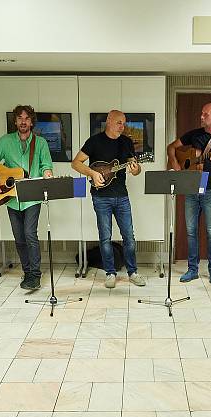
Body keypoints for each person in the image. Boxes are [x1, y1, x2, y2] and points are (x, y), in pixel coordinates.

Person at [0, 105, 53, 290]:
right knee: (19, 238)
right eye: (20, 118)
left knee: (30, 234)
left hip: (32, 197)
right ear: (15, 121)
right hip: (11, 198)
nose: (23, 121)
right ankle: (27, 272)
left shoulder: (41, 143)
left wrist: (47, 173)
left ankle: (35, 275)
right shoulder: (5, 142)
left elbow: (46, 165)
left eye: (26, 118)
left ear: (31, 121)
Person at [72, 110, 146, 288]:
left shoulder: (126, 142)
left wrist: (136, 169)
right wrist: (92, 172)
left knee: (129, 237)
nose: (123, 126)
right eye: (119, 122)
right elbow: (76, 163)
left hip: (122, 196)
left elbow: (135, 169)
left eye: (124, 123)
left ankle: (133, 272)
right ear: (109, 122)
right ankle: (110, 273)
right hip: (101, 197)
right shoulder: (94, 141)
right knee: (105, 237)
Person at [167, 102, 211, 284]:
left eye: (205, 114)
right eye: (202, 114)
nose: (201, 116)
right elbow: (171, 147)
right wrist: (175, 164)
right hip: (191, 188)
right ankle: (192, 270)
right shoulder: (193, 134)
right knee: (191, 231)